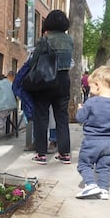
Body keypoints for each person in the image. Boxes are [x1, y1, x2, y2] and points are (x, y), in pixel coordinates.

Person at [75, 66, 110, 199]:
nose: (90, 89)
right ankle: (104, 189)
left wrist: (81, 109)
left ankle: (91, 184)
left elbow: (80, 119)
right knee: (104, 167)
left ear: (97, 85)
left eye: (91, 86)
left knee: (84, 164)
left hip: (92, 141)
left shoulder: (91, 103)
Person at [29, 10, 74, 165]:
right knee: (62, 117)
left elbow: (34, 61)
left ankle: (41, 154)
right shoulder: (69, 40)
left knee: (41, 117)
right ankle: (65, 153)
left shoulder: (45, 39)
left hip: (46, 80)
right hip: (63, 80)